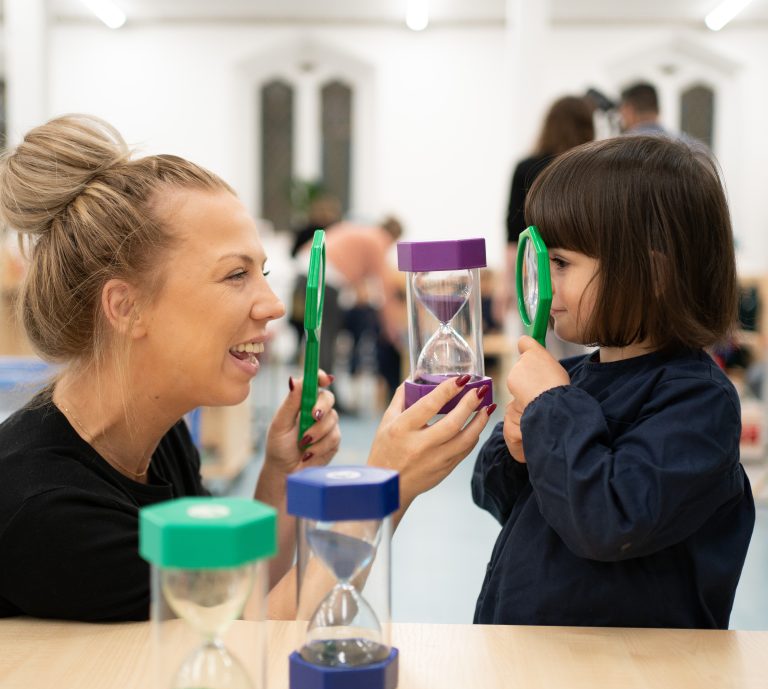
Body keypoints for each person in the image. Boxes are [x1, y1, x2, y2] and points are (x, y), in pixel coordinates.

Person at [0, 115, 494, 622]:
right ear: (127, 308)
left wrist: (281, 474)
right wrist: (384, 488)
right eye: (236, 275)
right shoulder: (44, 507)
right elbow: (238, 642)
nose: (273, 306)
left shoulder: (159, 439)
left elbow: (237, 591)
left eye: (263, 273)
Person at [472, 134, 755, 629]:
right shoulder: (577, 378)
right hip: (545, 671)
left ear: (651, 274)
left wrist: (553, 406)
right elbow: (494, 496)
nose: (543, 283)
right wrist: (516, 449)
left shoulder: (699, 404)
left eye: (560, 263)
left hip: (631, 686)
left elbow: (610, 520)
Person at [495, 95, 595, 333]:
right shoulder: (589, 172)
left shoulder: (526, 167)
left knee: (534, 343)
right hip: (579, 277)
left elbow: (513, 234)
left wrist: (507, 284)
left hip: (532, 273)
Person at [292, 216, 406, 404]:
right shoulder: (378, 240)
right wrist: (391, 328)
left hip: (307, 270)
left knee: (320, 338)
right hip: (323, 277)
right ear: (393, 236)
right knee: (324, 339)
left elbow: (360, 281)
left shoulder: (362, 232)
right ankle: (323, 393)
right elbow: (385, 290)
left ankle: (323, 390)